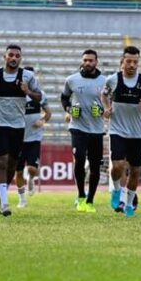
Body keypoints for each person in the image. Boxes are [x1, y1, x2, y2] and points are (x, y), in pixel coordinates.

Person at [0, 45, 42, 217]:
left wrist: (27, 91)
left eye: (17, 56)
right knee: (2, 162)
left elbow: (39, 96)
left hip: (18, 126)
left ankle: (2, 193)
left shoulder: (28, 76)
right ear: (5, 57)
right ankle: (4, 202)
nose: (14, 58)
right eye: (11, 55)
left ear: (20, 58)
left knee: (12, 165)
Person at [102, 46, 141, 217]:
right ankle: (116, 190)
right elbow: (104, 95)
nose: (132, 65)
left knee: (135, 171)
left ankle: (128, 204)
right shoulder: (113, 80)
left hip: (137, 133)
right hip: (117, 130)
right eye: (129, 61)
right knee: (118, 165)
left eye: (135, 62)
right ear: (123, 61)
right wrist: (107, 107)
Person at [61, 50, 105, 213]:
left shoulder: (105, 81)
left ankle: (90, 200)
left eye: (91, 60)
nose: (87, 63)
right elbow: (64, 98)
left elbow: (111, 103)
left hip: (97, 130)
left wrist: (102, 110)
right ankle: (80, 196)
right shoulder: (71, 79)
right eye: (85, 60)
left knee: (95, 166)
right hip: (77, 127)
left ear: (96, 62)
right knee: (79, 159)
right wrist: (69, 109)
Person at [14, 66, 51, 208]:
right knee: (18, 171)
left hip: (34, 138)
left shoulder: (40, 95)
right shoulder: (15, 95)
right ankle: (22, 199)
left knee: (32, 169)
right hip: (17, 139)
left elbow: (48, 113)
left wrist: (42, 120)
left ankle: (30, 178)